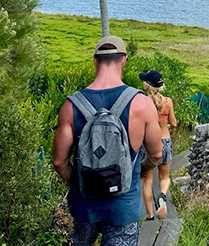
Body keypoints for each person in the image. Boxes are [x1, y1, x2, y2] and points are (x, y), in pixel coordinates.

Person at [52, 36, 162, 246]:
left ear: (95, 61)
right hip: (123, 206)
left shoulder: (71, 105)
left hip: (85, 205)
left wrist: (79, 182)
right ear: (124, 60)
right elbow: (157, 154)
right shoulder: (141, 103)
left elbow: (59, 162)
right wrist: (140, 169)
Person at [139, 70, 177, 221]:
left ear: (147, 85)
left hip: (148, 144)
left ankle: (150, 215)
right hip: (165, 141)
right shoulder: (168, 102)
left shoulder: (143, 102)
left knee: (147, 180)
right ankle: (162, 197)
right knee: (165, 177)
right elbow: (173, 123)